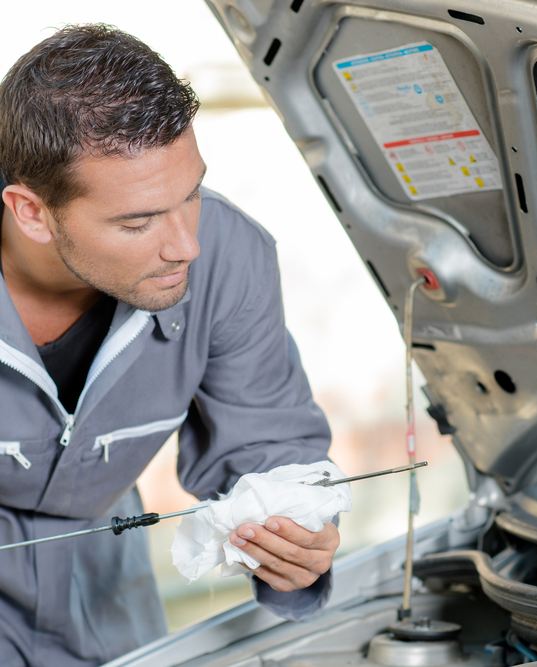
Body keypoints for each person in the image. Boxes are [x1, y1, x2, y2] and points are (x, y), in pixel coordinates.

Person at [0, 23, 339, 666]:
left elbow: (268, 449)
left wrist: (296, 540)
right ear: (32, 212)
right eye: (137, 221)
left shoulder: (231, 257)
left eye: (190, 195)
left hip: (106, 587)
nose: (186, 246)